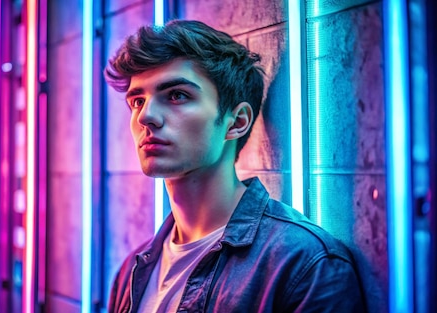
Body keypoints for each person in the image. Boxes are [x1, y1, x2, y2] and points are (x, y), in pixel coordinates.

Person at [104, 20, 366, 312]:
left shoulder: (303, 265)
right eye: (137, 101)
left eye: (177, 95)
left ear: (237, 122)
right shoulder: (133, 270)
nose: (146, 117)